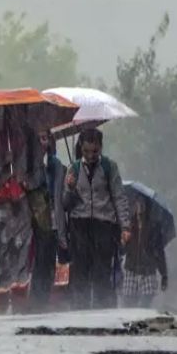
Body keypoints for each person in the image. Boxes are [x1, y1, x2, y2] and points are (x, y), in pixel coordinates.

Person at [62, 128, 130, 310]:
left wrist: (125, 227)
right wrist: (70, 188)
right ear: (80, 149)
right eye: (86, 151)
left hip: (104, 224)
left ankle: (103, 310)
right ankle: (80, 310)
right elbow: (66, 204)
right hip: (80, 225)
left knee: (102, 270)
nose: (90, 156)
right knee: (80, 270)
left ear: (100, 148)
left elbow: (119, 197)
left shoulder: (109, 167)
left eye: (95, 151)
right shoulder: (73, 169)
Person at [0, 114, 36, 315]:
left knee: (21, 260)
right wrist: (2, 164)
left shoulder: (30, 142)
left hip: (22, 210)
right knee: (0, 261)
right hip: (2, 210)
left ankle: (20, 312)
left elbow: (37, 173)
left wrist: (26, 183)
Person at [28, 131, 62, 311]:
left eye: (46, 138)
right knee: (39, 260)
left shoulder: (55, 164)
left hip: (54, 219)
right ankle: (36, 300)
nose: (43, 142)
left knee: (49, 260)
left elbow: (60, 193)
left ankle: (44, 299)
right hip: (36, 219)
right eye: (40, 138)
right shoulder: (29, 164)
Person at [119, 194, 168, 309]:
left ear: (147, 206)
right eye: (137, 203)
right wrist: (123, 242)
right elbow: (122, 251)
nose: (139, 206)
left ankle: (141, 320)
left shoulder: (154, 227)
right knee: (128, 301)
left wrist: (164, 274)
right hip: (131, 268)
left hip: (147, 269)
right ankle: (131, 323)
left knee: (146, 300)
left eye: (142, 203)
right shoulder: (129, 225)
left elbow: (159, 252)